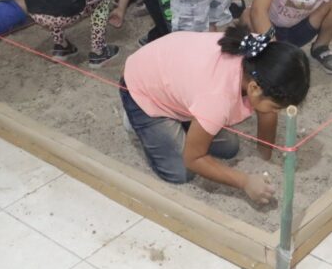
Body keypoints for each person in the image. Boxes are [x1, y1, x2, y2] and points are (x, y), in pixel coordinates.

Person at [120, 25, 309, 200]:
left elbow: (267, 111)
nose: (278, 112)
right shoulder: (217, 98)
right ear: (254, 88)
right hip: (143, 90)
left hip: (179, 82)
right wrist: (244, 182)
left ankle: (186, 120)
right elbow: (194, 159)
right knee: (180, 172)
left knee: (229, 148)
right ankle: (136, 120)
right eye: (276, 107)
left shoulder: (262, 54)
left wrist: (264, 157)